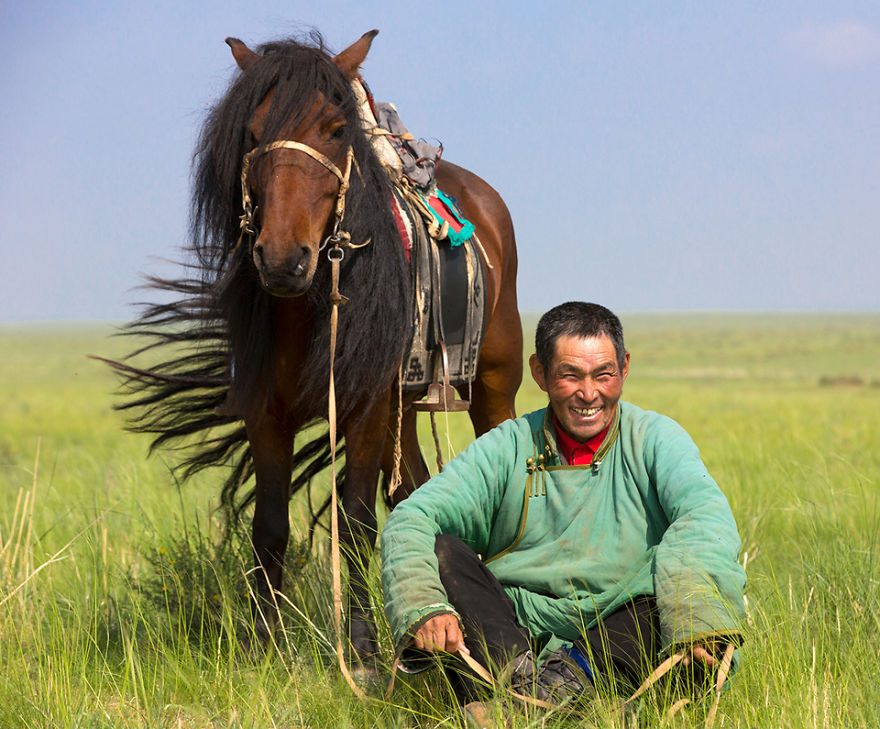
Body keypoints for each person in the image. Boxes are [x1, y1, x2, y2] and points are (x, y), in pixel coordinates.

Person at [380, 302, 746, 706]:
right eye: (569, 375)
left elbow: (704, 517)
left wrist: (698, 619)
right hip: (517, 634)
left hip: (621, 628)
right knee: (442, 551)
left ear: (624, 368)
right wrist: (423, 605)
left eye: (603, 374)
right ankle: (535, 693)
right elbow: (413, 515)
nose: (588, 393)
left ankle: (529, 703)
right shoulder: (509, 445)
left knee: (663, 601)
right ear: (539, 372)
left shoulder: (657, 439)